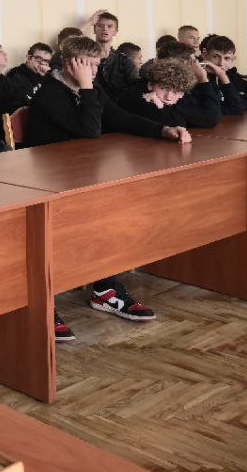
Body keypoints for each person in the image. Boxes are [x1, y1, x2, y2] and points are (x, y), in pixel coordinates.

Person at [27, 35, 191, 336]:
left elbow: (117, 117)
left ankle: (105, 288)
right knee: (78, 225)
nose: (94, 71)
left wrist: (162, 129)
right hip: (47, 183)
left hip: (82, 175)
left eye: (96, 65)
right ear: (70, 64)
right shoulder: (49, 93)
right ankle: (42, 303)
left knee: (113, 214)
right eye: (88, 65)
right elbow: (90, 130)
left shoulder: (90, 88)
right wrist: (87, 86)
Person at [85, 9, 139, 100]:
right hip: (94, 103)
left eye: (109, 26)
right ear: (94, 30)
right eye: (100, 25)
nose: (105, 29)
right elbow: (68, 44)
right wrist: (90, 22)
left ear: (115, 31)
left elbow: (136, 86)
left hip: (120, 104)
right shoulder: (86, 58)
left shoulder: (123, 60)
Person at [197, 34, 247, 115]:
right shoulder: (197, 76)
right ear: (205, 55)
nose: (221, 63)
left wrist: (222, 75)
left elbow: (237, 108)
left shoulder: (228, 75)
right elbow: (211, 111)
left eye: (226, 58)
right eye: (216, 57)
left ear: (233, 59)